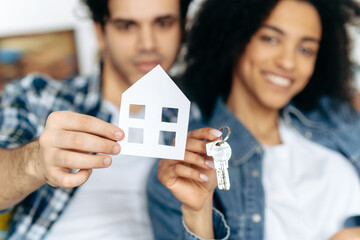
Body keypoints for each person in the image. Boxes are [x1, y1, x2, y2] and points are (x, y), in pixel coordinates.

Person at [147, 0, 360, 239]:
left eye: (305, 49)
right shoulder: (186, 168)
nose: (288, 63)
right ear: (236, 37)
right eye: (270, 39)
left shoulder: (335, 117)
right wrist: (199, 214)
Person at [0, 0, 191, 239]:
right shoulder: (38, 95)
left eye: (163, 23)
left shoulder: (201, 116)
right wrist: (34, 161)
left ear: (183, 28)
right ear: (100, 32)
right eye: (127, 26)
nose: (148, 43)